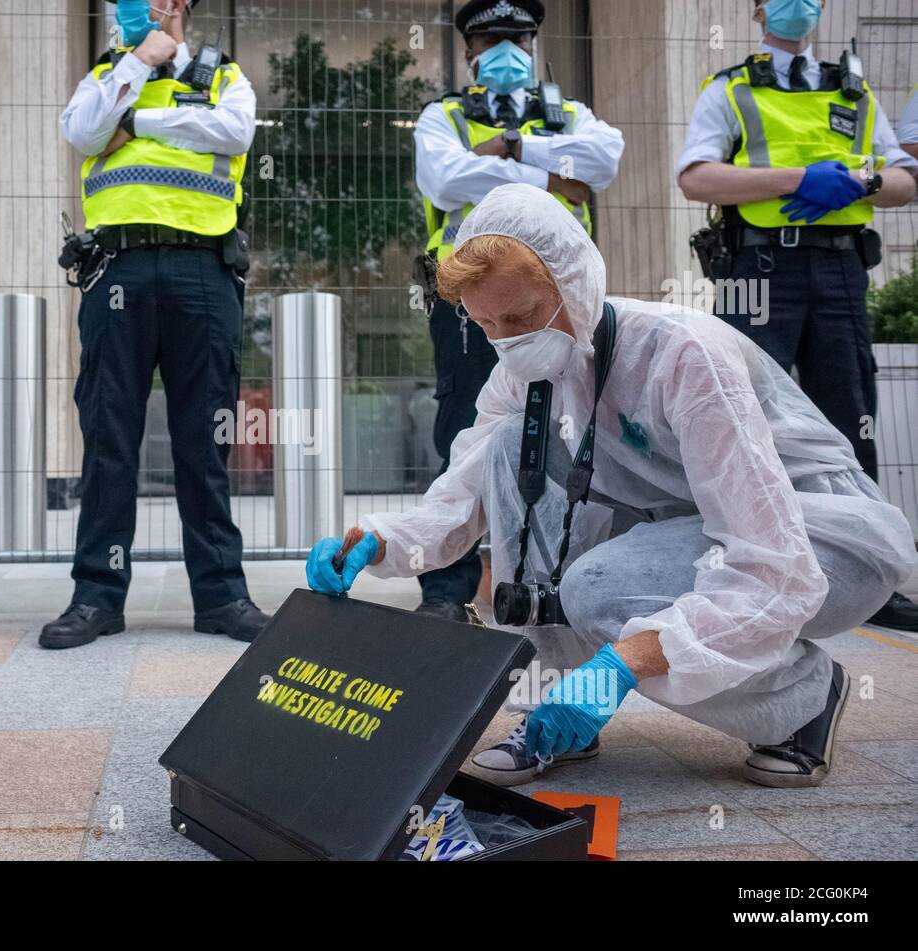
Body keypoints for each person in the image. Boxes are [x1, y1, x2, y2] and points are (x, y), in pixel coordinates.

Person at [307, 184, 915, 789]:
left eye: (520, 316)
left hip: (820, 537)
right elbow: (462, 493)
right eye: (488, 323)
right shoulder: (525, 372)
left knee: (598, 591)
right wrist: (378, 542)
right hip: (686, 528)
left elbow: (770, 561)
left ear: (574, 283)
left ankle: (801, 697)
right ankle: (552, 697)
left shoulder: (680, 355)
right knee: (509, 440)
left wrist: (623, 664)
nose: (507, 340)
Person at [678, 0, 918, 632]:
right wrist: (796, 179)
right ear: (758, 11)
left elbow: (904, 180)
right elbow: (698, 179)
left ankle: (869, 582)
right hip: (754, 269)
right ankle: (734, 565)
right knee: (734, 412)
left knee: (850, 417)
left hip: (840, 269)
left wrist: (859, 181)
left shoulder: (855, 89)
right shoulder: (730, 89)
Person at [49, 0, 269, 649]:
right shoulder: (103, 74)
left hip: (204, 266)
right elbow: (84, 133)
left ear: (175, 4)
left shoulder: (224, 75)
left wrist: (138, 119)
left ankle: (221, 595)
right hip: (116, 268)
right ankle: (96, 595)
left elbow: (233, 134)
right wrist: (138, 66)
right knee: (108, 435)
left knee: (205, 441)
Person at [412, 0, 622, 622]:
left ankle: (558, 578)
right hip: (471, 300)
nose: (507, 48)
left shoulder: (571, 114)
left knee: (572, 426)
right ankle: (446, 595)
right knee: (462, 427)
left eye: (519, 37)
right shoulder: (441, 115)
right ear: (470, 52)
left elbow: (604, 161)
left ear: (533, 44)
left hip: (559, 299)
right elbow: (446, 182)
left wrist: (508, 147)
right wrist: (555, 175)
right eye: (492, 39)